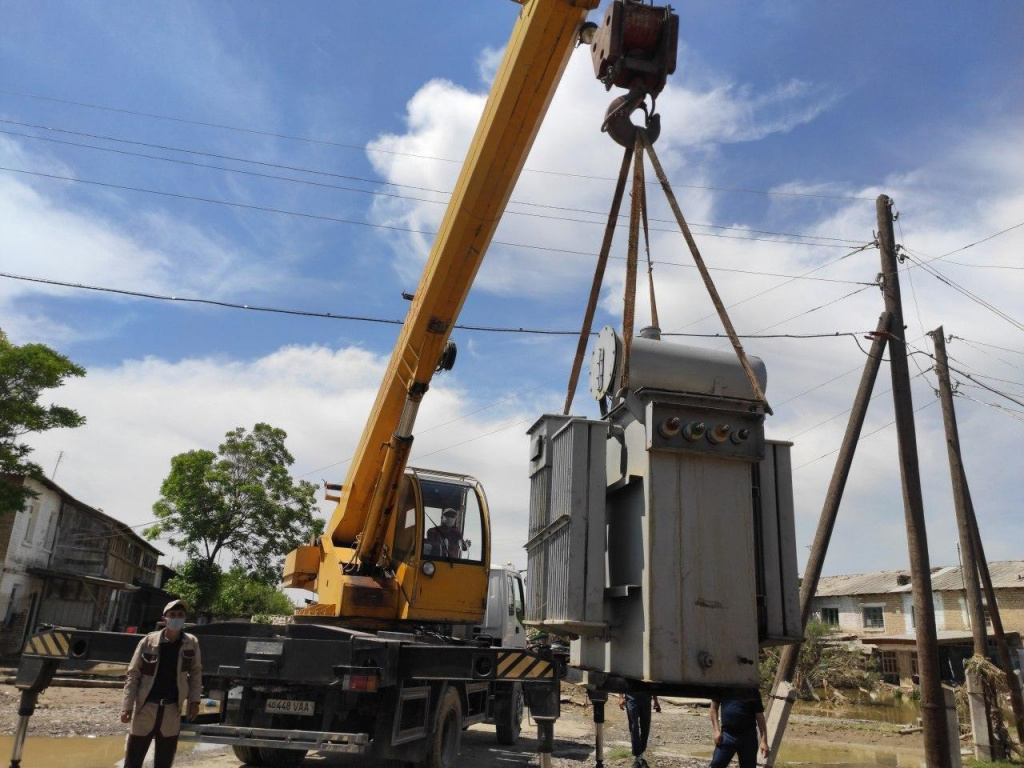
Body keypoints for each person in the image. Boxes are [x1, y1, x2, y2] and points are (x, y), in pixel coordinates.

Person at [121, 599, 203, 768]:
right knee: (133, 761)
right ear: (164, 619)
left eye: (180, 615)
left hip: (172, 711)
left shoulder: (191, 642)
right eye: (172, 615)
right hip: (146, 709)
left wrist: (195, 701)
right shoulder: (148, 642)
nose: (176, 618)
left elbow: (195, 672)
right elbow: (133, 674)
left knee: (164, 762)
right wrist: (127, 707)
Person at [709, 692, 769, 768]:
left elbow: (760, 716)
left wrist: (764, 741)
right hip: (727, 735)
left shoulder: (753, 691)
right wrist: (716, 731)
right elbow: (713, 708)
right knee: (716, 764)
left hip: (748, 737)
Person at [618, 692, 660, 767]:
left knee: (645, 726)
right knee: (634, 727)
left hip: (646, 698)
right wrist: (621, 697)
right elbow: (623, 681)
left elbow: (653, 682)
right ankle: (638, 756)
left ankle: (640, 756)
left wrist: (655, 700)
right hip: (631, 698)